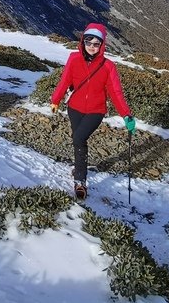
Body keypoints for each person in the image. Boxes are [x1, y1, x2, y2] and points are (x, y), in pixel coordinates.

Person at [50, 22, 135, 199]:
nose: (92, 47)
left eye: (96, 44)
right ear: (83, 42)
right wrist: (55, 99)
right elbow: (64, 81)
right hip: (74, 108)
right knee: (78, 140)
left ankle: (80, 181)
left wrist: (126, 114)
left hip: (96, 110)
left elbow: (116, 92)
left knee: (79, 138)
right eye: (88, 42)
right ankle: (79, 167)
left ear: (102, 45)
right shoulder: (73, 59)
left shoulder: (108, 66)